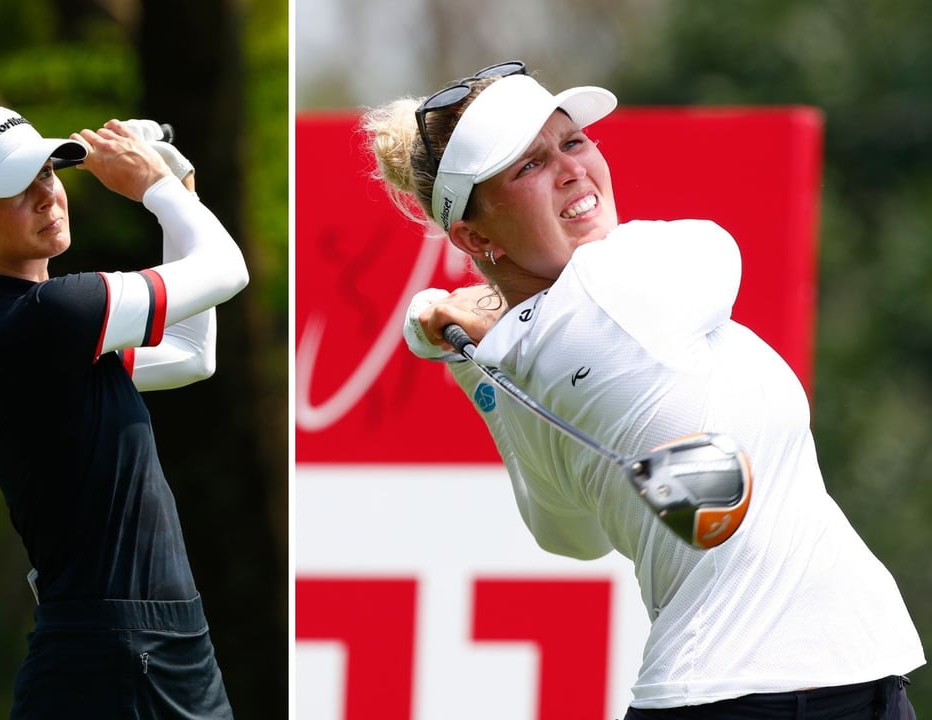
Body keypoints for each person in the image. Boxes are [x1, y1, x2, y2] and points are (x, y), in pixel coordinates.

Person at [362, 61, 924, 718]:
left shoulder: (512, 361)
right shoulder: (616, 280)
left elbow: (568, 534)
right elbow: (720, 250)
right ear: (476, 236)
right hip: (775, 695)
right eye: (528, 165)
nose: (572, 168)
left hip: (747, 689)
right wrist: (479, 328)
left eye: (572, 141)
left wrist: (467, 355)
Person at [0, 105, 246, 719]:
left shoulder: (40, 330)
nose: (47, 194)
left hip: (152, 646)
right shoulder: (47, 318)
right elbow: (227, 270)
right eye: (16, 188)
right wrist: (154, 187)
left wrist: (174, 177)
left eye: (48, 172)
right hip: (119, 658)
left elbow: (189, 353)